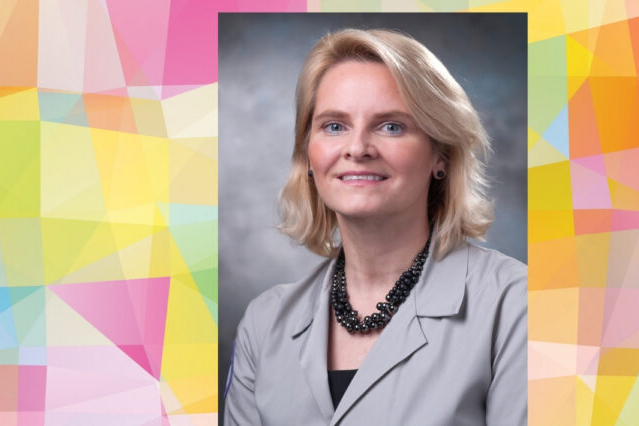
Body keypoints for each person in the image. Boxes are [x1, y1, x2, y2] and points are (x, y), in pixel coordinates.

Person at [223, 28, 527, 425]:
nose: (357, 148)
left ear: (441, 155)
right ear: (308, 154)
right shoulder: (264, 323)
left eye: (391, 126)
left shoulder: (515, 304)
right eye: (334, 126)